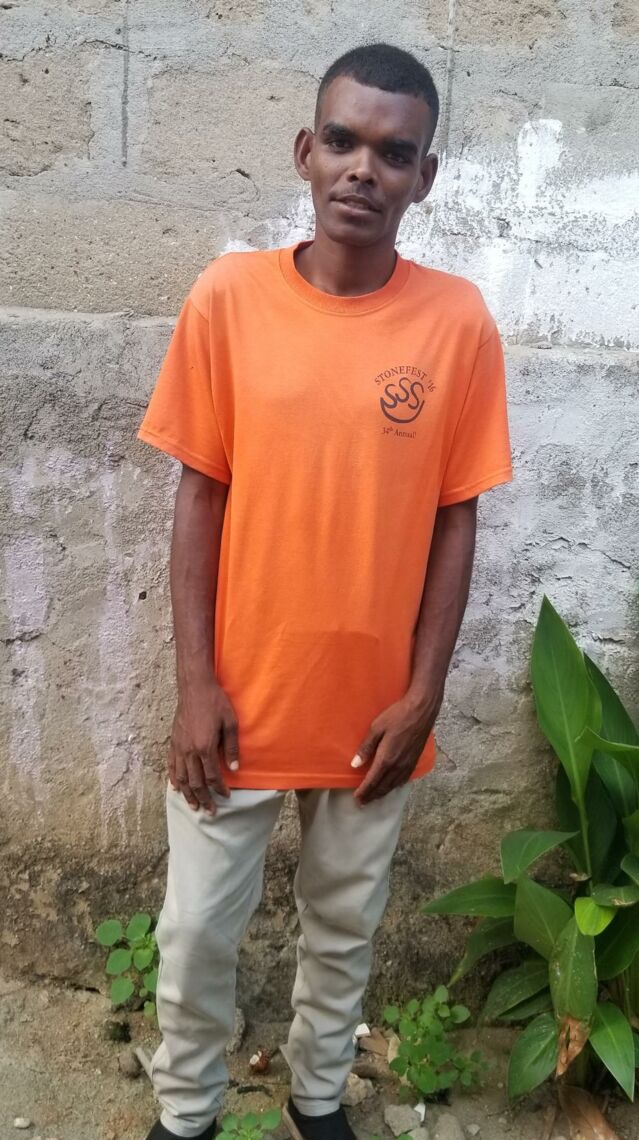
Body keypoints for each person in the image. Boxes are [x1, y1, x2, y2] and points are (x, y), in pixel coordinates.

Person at [136, 41, 512, 1140]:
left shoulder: (457, 323)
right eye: (342, 141)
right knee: (196, 931)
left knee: (345, 927)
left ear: (424, 177)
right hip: (238, 703)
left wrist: (423, 693)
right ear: (305, 150)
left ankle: (316, 1100)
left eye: (394, 153)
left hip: (372, 709)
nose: (363, 169)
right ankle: (187, 1112)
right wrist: (194, 686)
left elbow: (455, 517)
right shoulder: (230, 298)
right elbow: (200, 496)